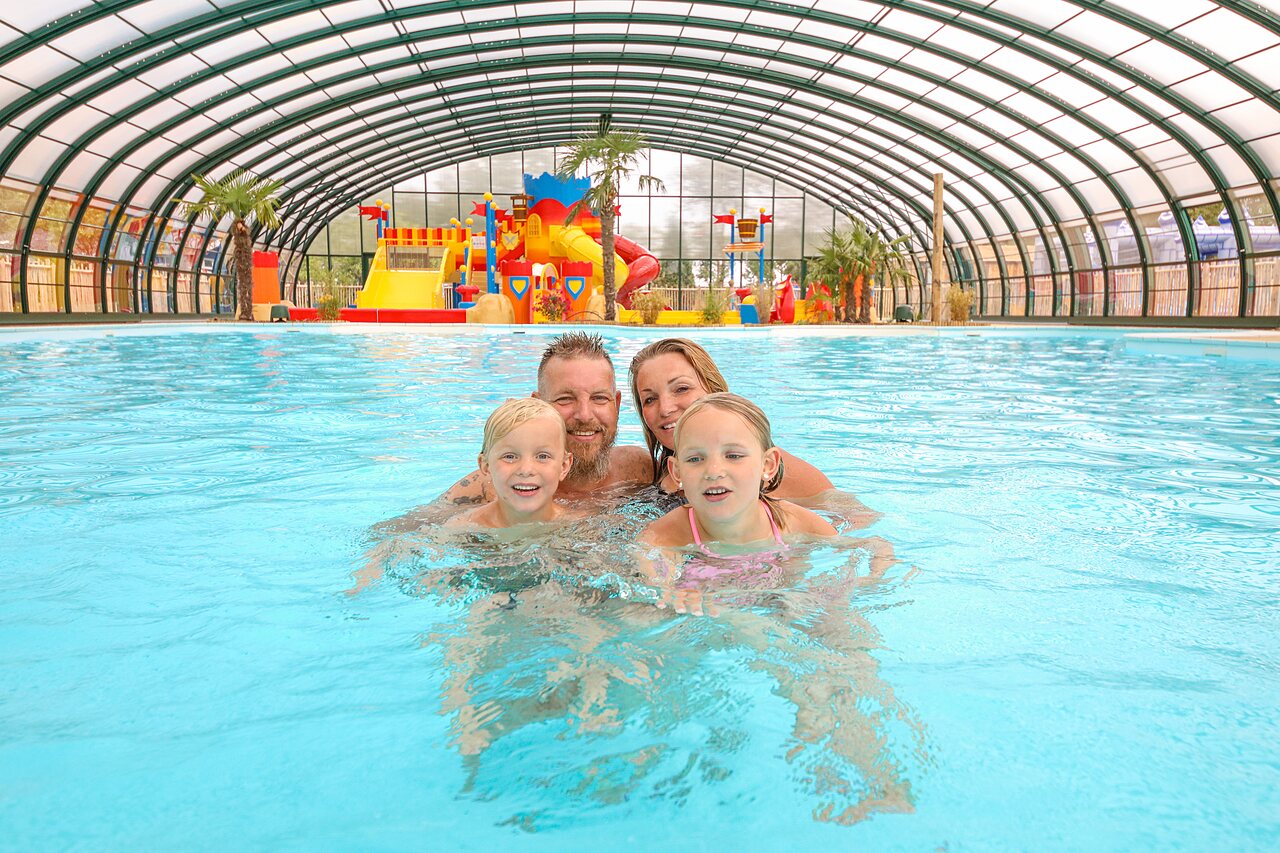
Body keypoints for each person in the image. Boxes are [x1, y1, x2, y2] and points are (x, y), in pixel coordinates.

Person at [441, 331, 652, 509]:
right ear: (538, 403)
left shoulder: (639, 471)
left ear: (616, 403)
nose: (585, 414)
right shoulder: (490, 488)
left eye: (599, 398)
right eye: (565, 399)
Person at [628, 338, 838, 503]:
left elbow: (857, 520)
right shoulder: (658, 475)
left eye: (682, 389)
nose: (665, 408)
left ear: (714, 390)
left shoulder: (762, 465)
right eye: (650, 399)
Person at [641, 392, 836, 553]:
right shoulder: (663, 538)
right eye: (695, 459)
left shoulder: (796, 524)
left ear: (768, 465)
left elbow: (855, 553)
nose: (713, 472)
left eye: (733, 456)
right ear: (677, 472)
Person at [446, 398, 573, 530]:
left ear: (564, 466)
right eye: (510, 456)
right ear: (485, 465)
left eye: (542, 456)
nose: (526, 470)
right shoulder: (462, 528)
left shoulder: (577, 526)